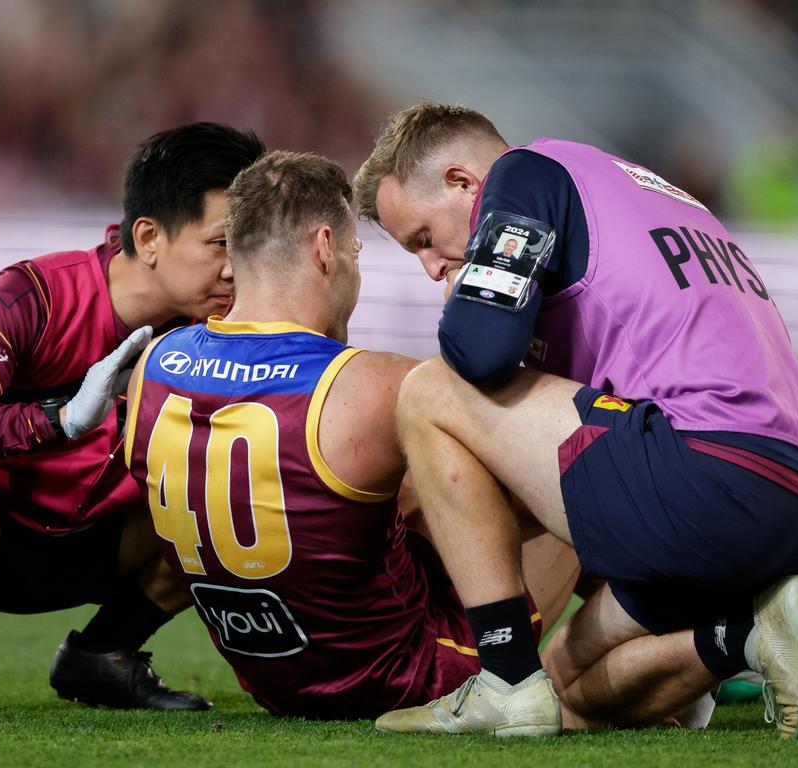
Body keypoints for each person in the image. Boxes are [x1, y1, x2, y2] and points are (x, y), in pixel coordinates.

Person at [353, 102, 798, 738]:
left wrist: (461, 301)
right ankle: (749, 637)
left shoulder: (521, 173)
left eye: (423, 238)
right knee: (567, 697)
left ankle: (501, 677)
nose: (430, 265)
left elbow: (480, 347)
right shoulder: (633, 188)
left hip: (706, 479)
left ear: (462, 181)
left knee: (429, 393)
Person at [123, 150, 580, 719]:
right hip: (406, 675)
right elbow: (515, 487)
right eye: (355, 250)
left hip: (272, 680)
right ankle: (630, 657)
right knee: (576, 473)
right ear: (325, 249)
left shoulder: (155, 363)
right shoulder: (374, 385)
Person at [0, 123, 265, 713]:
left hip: (100, 544)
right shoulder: (34, 293)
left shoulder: (234, 326)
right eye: (220, 244)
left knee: (251, 488)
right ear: (150, 237)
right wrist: (63, 420)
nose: (238, 268)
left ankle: (103, 655)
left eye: (249, 246)